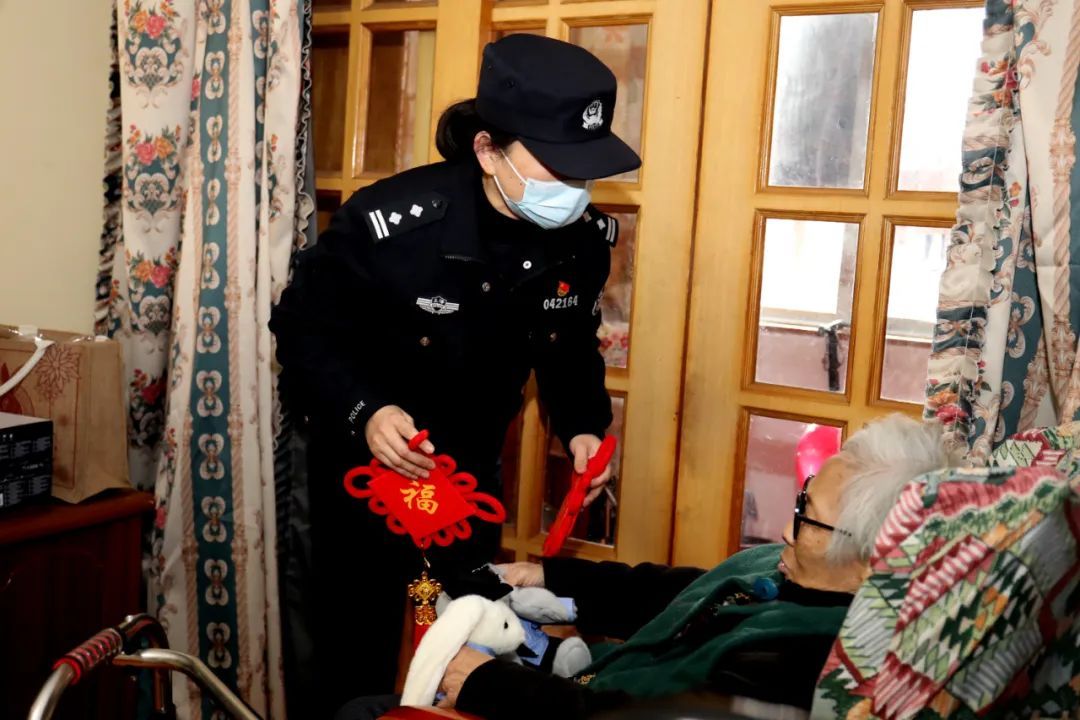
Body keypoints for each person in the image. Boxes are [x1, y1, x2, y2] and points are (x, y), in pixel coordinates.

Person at [270, 34, 641, 714]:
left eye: (584, 169)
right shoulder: (391, 226)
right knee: (352, 656)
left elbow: (567, 344)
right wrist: (366, 411)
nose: (573, 189)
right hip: (363, 472)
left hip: (469, 477)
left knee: (472, 643)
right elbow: (301, 328)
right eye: (556, 165)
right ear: (488, 150)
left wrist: (583, 426)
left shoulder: (582, 241)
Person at [422, 415, 948, 718]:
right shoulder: (795, 572)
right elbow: (681, 594)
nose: (787, 532)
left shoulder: (810, 659)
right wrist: (550, 578)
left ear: (875, 560)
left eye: (808, 519)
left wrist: (490, 684)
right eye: (801, 502)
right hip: (579, 683)